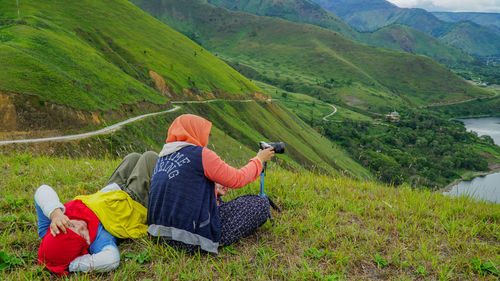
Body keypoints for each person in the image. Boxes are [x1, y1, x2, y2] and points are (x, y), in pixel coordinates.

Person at [147, 114, 275, 253]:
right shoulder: (201, 154)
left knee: (218, 199)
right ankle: (214, 236)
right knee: (260, 204)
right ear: (195, 132)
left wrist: (213, 189)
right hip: (191, 240)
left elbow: (183, 190)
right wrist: (259, 160)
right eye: (206, 134)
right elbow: (238, 178)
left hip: (159, 235)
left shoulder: (164, 155)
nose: (207, 139)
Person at [35, 151, 158, 275]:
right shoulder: (97, 240)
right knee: (149, 158)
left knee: (132, 158)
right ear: (82, 250)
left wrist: (56, 214)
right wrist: (73, 264)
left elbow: (42, 190)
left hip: (108, 193)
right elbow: (111, 260)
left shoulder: (50, 229)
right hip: (131, 202)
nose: (81, 227)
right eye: (82, 235)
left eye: (71, 225)